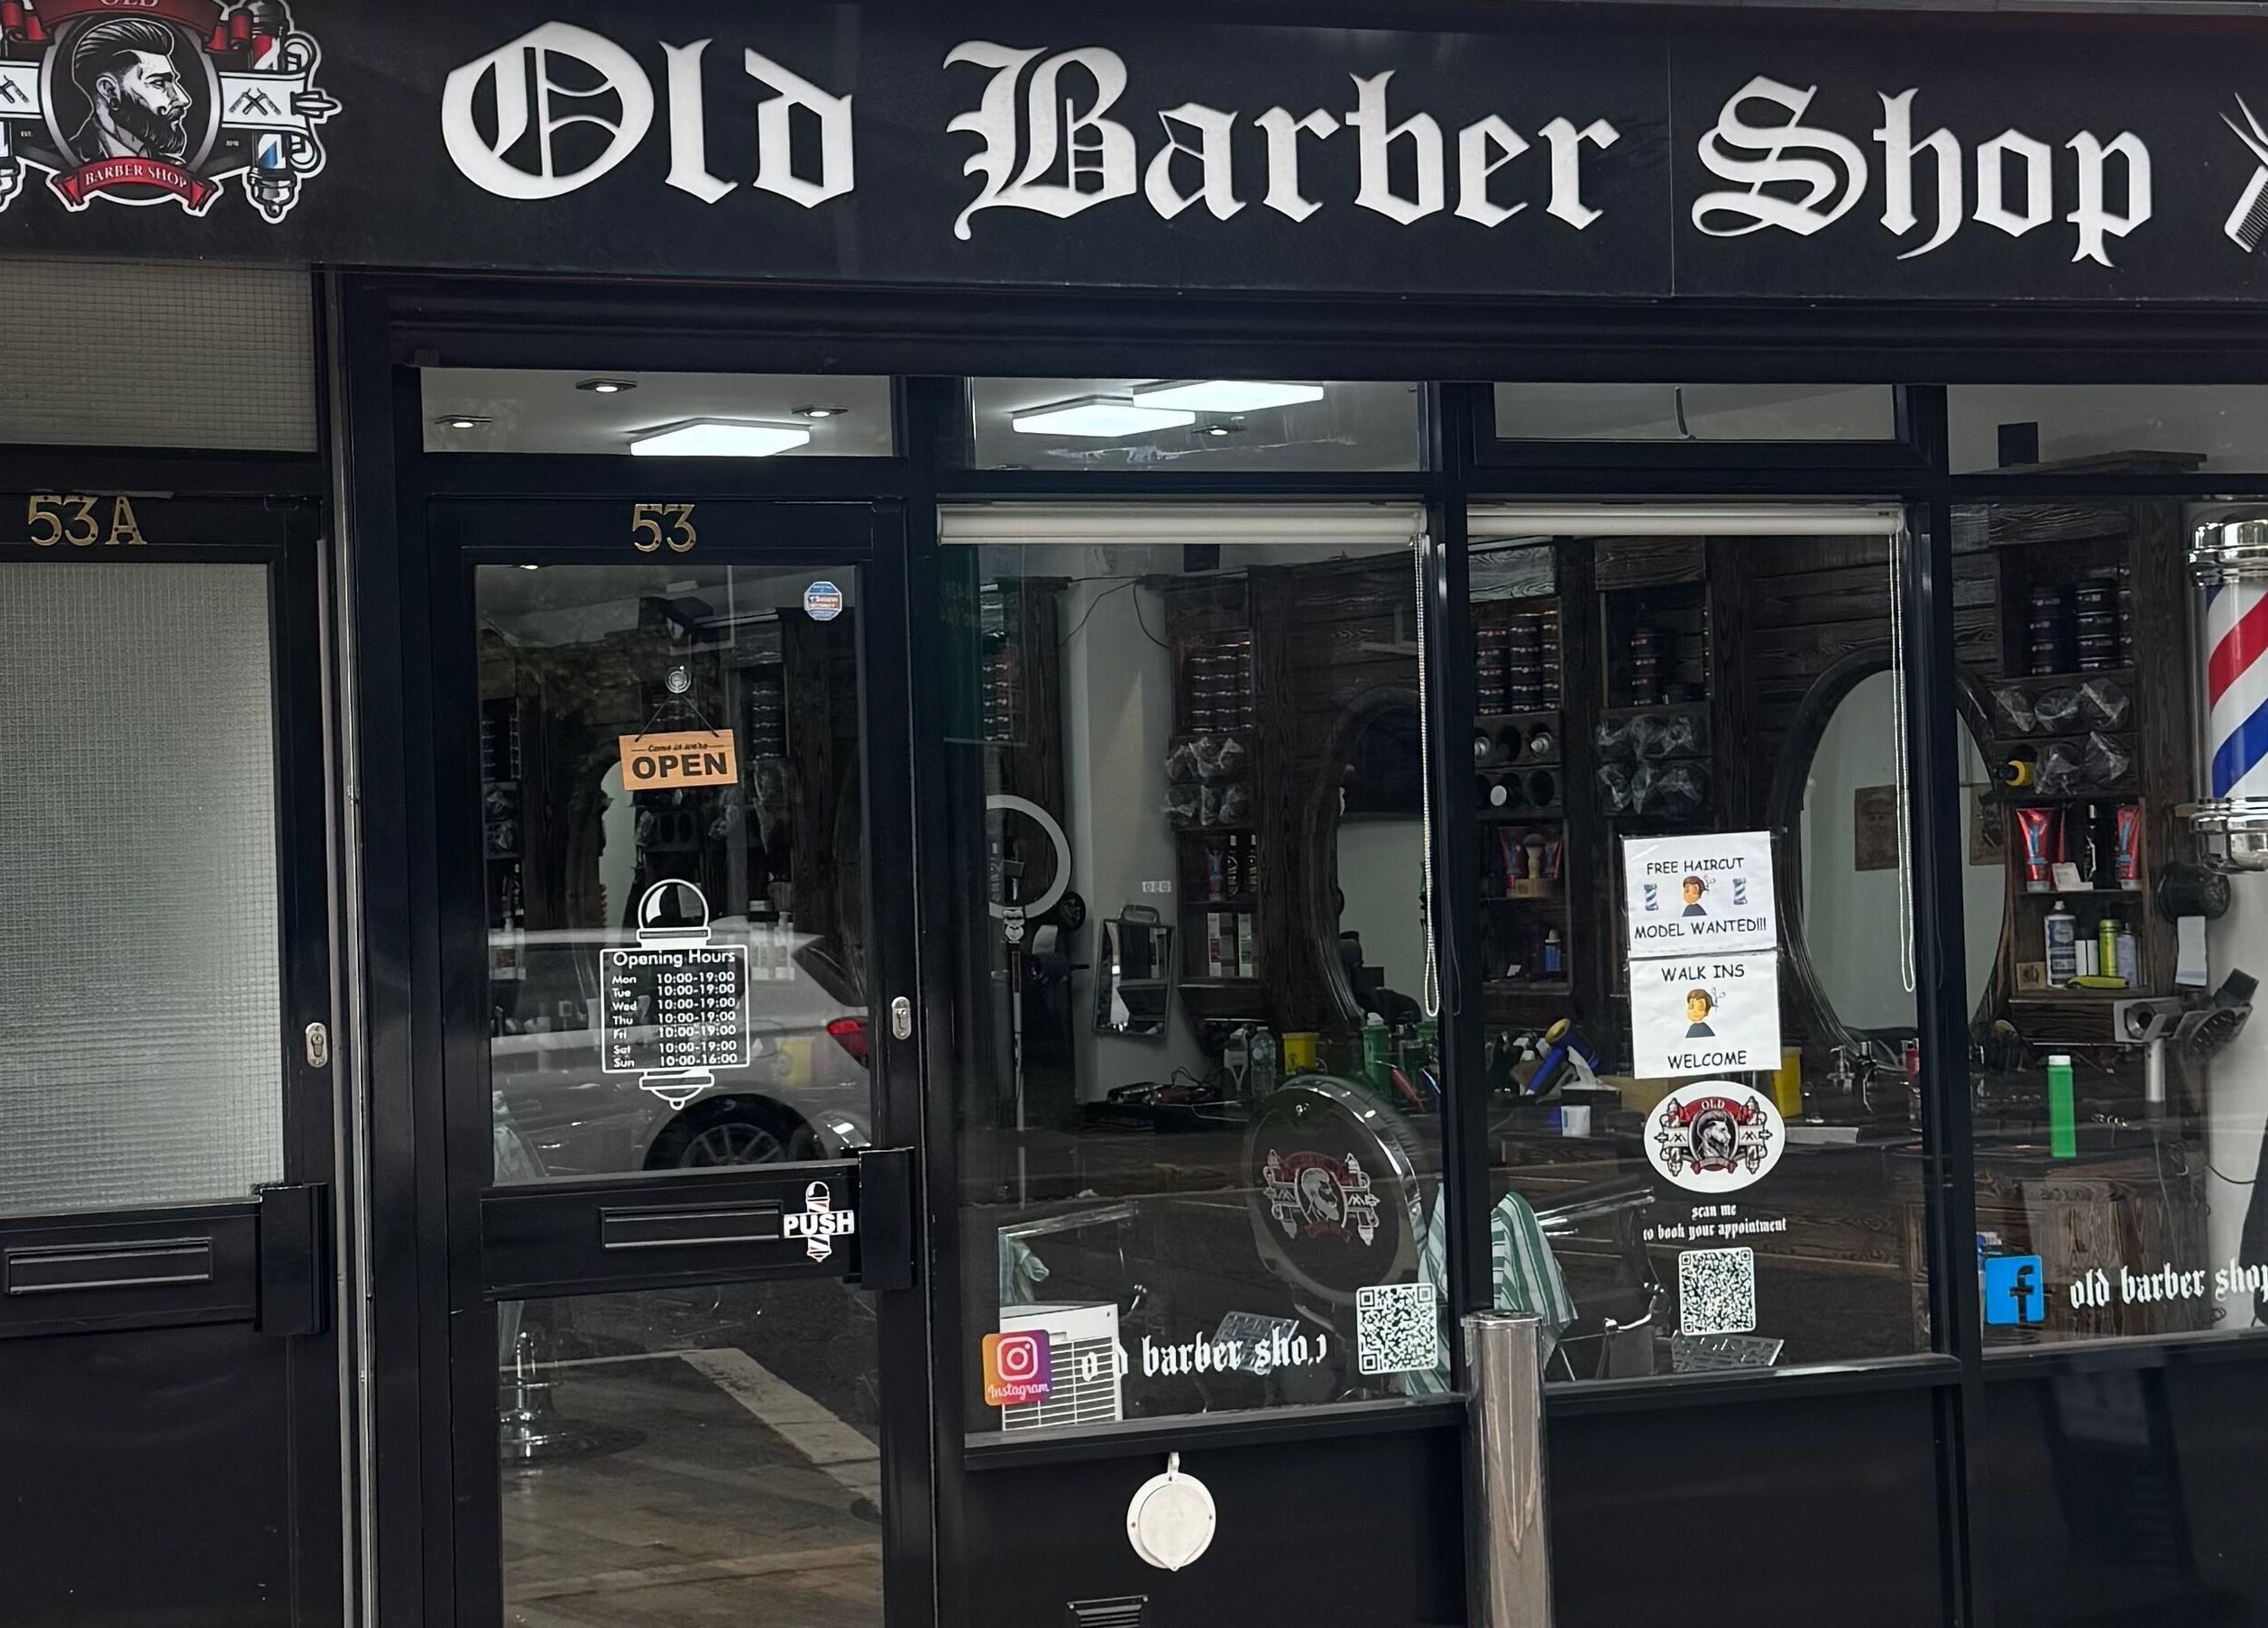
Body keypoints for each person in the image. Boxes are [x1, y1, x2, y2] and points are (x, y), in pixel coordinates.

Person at [67, 18, 193, 166]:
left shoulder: (175, 167)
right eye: (158, 83)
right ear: (109, 90)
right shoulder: (67, 157)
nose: (184, 99)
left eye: (172, 83)